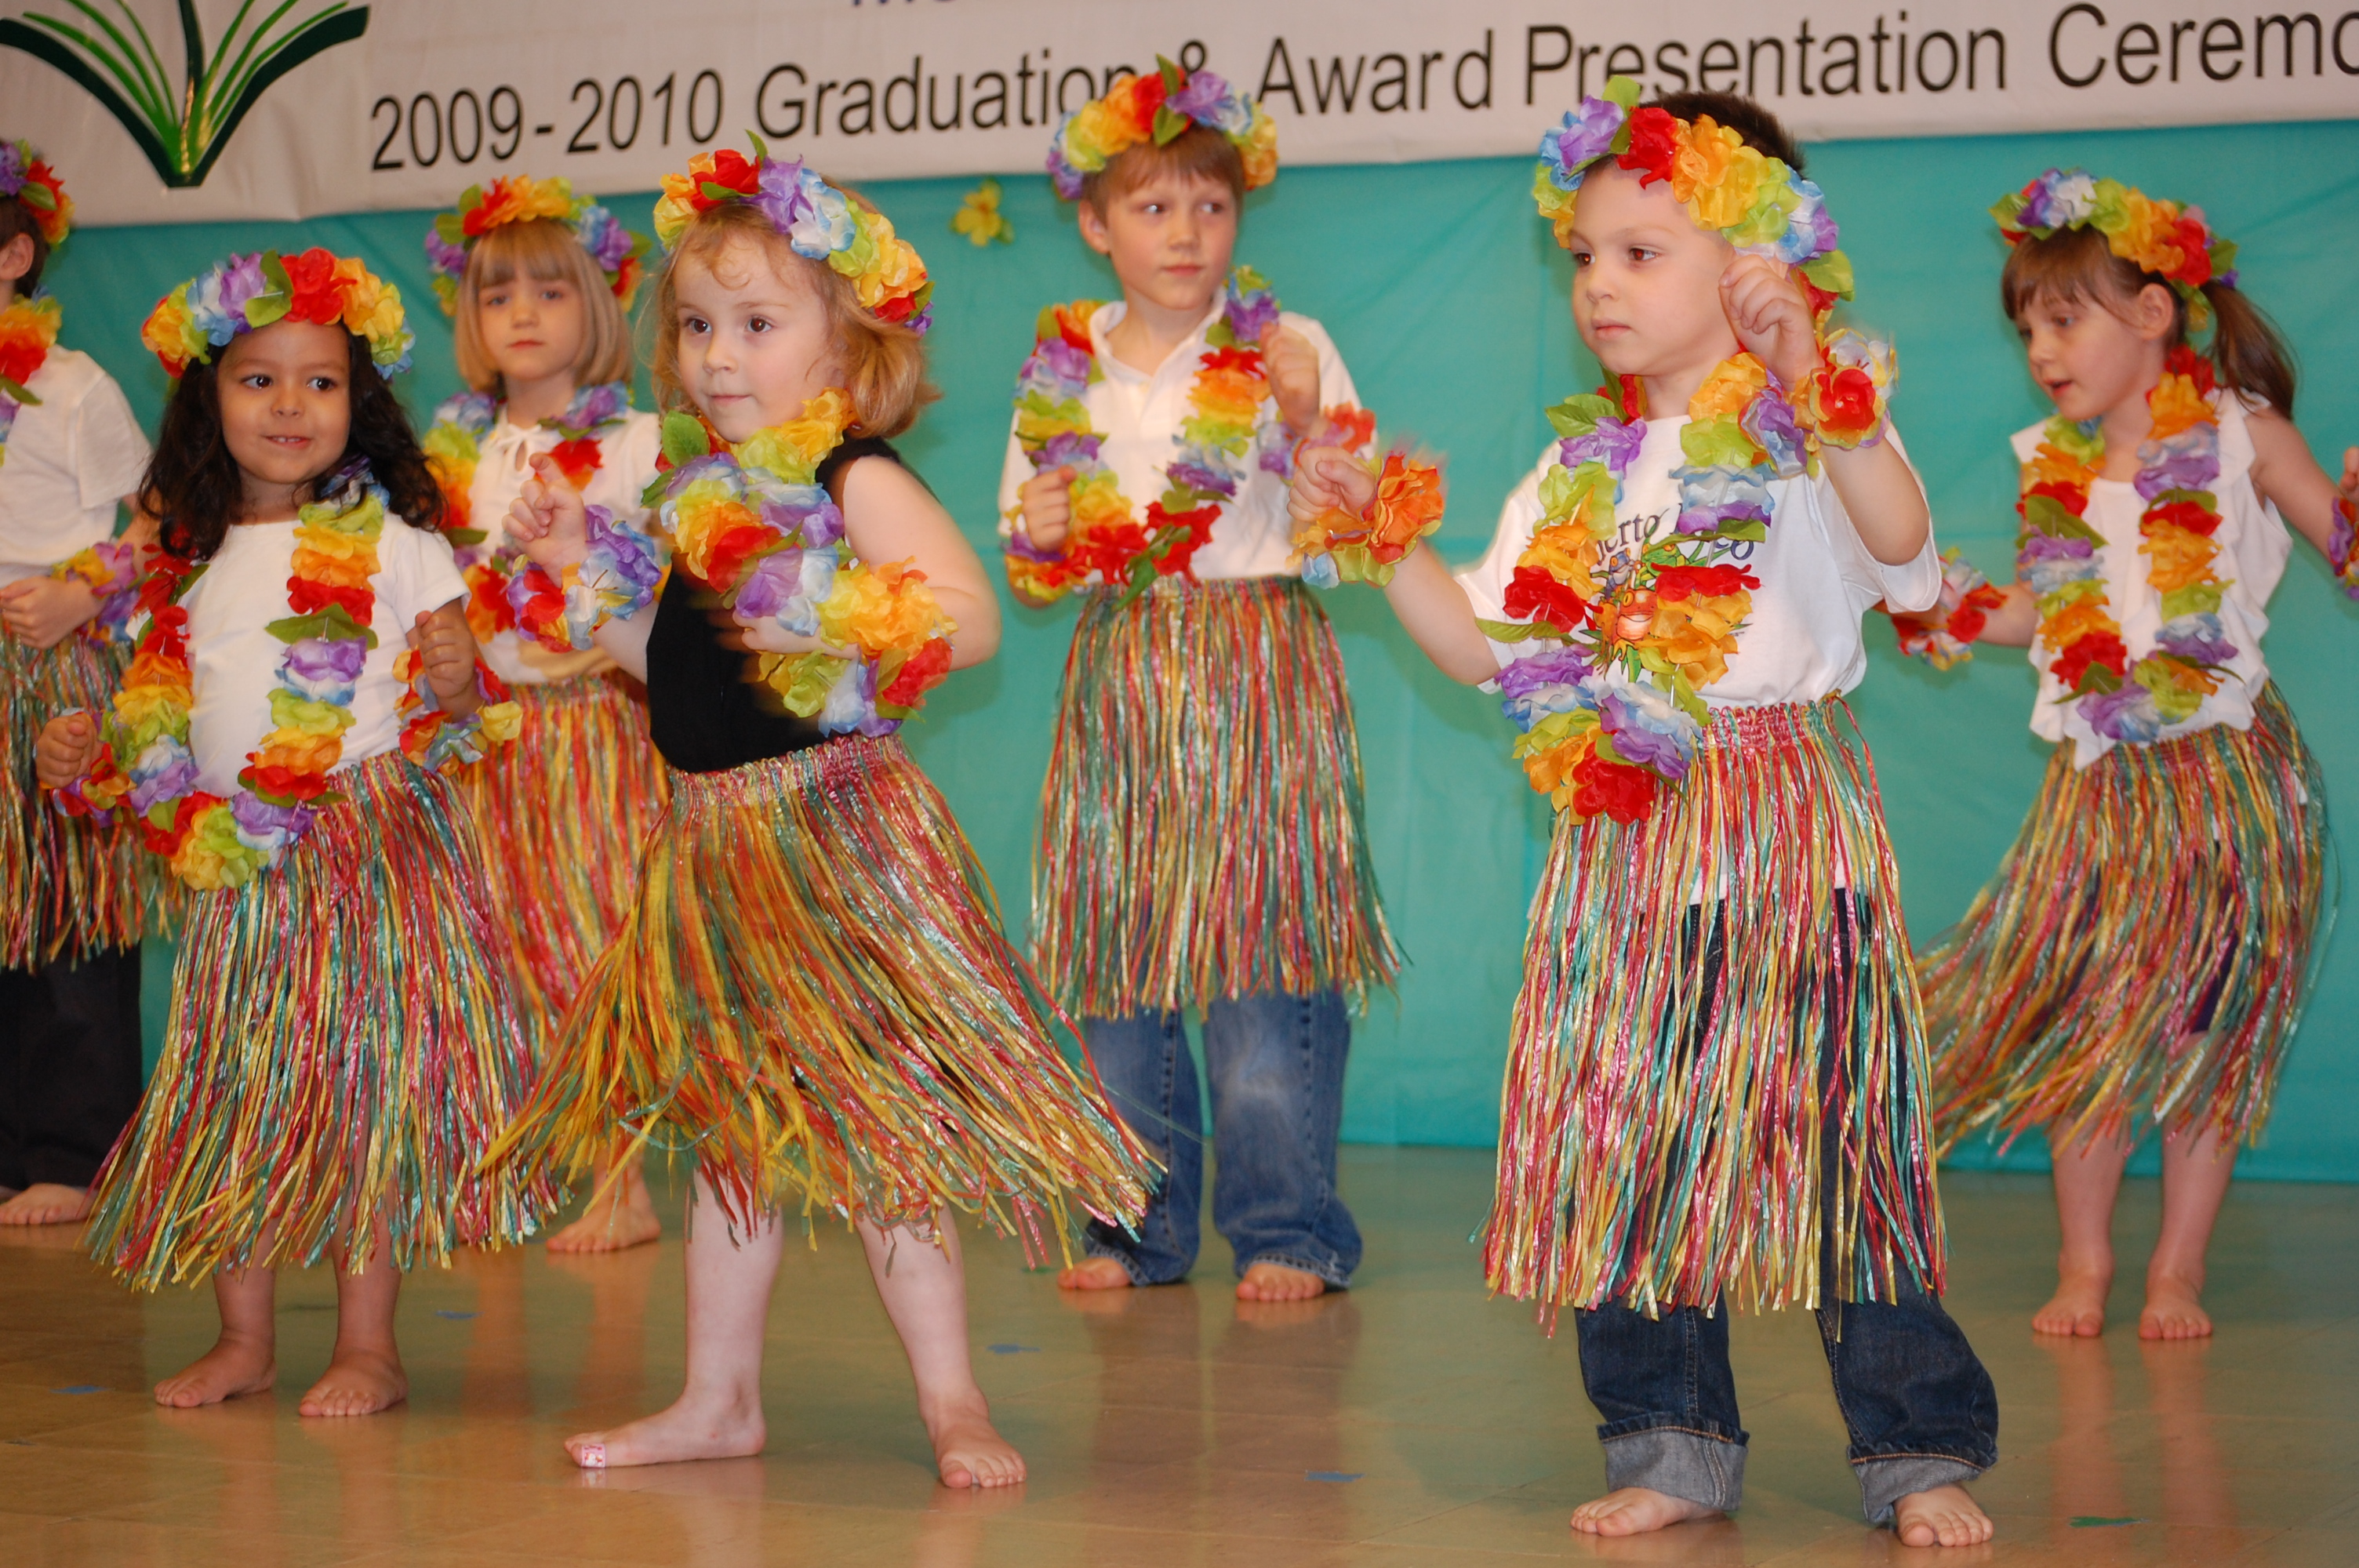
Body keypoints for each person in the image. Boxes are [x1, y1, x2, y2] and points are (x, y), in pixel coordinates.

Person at [1290, 82, 1997, 1548]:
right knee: (1628, 1146)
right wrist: (1376, 532)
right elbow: (1488, 646)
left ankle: (1914, 1445)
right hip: (1626, 841)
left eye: (1640, 252)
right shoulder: (1577, 472)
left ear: (1753, 263)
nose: (1598, 283)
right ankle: (1671, 1443)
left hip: (1787, 838)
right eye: (1585, 254)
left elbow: (1909, 555)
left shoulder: (1809, 434)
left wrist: (1818, 379)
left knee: (1843, 1145)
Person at [486, 142, 1152, 1483]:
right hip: (713, 847)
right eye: (697, 326)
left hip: (833, 840)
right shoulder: (697, 497)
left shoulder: (856, 478)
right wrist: (575, 569)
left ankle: (954, 1401)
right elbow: (667, 668)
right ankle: (717, 1400)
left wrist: (832, 622)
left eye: (757, 324)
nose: (718, 356)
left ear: (844, 347)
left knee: (882, 1136)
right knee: (734, 1141)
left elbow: (965, 621)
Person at [35, 246, 552, 1417]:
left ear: (358, 403)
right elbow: (156, 716)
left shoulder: (397, 543)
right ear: (208, 399)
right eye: (258, 380)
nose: (289, 405)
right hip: (235, 865)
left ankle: (369, 1346)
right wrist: (86, 757)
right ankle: (245, 1340)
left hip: (361, 847)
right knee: (238, 1088)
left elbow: (462, 718)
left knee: (356, 1090)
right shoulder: (180, 560)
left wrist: (458, 681)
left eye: (320, 382)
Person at [1887, 169, 2359, 1341]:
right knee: (2087, 1032)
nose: (2042, 350)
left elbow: (2343, 546)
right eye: (2027, 330)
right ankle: (2086, 1261)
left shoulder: (2243, 436)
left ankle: (2177, 1270)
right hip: (2098, 794)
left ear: (2153, 314)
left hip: (2231, 786)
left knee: (2205, 1034)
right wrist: (1944, 604)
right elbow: (2049, 617)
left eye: (2063, 319)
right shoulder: (2053, 466)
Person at [1000, 57, 1399, 1304]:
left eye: (1211, 206)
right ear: (1095, 223)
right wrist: (1041, 540)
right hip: (1122, 669)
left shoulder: (1289, 345)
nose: (1186, 232)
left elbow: (1353, 530)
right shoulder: (1060, 367)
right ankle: (1131, 1227)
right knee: (1119, 957)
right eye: (1154, 206)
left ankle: (1288, 1228)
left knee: (1263, 955)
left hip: (1259, 666)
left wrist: (1303, 426)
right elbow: (1032, 569)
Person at [421, 175, 667, 1253]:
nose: (521, 313)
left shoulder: (637, 442)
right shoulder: (448, 456)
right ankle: (514, 1165)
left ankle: (623, 1180)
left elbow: (666, 581)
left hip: (594, 725)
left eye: (550, 291)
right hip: (484, 736)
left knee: (592, 945)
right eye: (497, 294)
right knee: (497, 953)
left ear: (599, 304)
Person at [0, 139, 163, 1228]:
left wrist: (78, 590)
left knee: (65, 909)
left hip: (55, 666)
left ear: (14, 256)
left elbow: (163, 518)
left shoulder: (70, 385)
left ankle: (72, 1151)